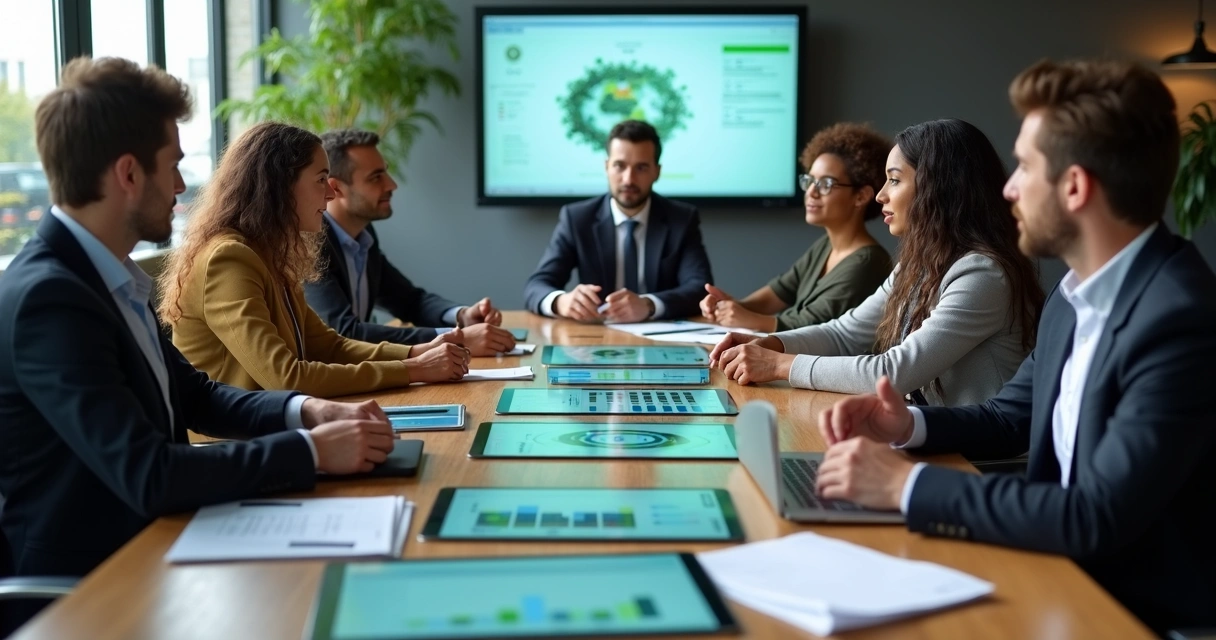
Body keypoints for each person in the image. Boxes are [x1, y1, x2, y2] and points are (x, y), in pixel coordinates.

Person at [813, 60, 1216, 633]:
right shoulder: (1074, 296)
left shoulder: (1179, 320)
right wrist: (905, 427)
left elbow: (1095, 516)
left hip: (1131, 612)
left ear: (1075, 187)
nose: (1007, 188)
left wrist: (906, 484)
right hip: (1055, 570)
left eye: (1025, 167)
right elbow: (1008, 416)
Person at [0, 57, 396, 631]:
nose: (184, 186)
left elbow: (197, 396)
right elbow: (150, 473)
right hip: (91, 589)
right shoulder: (51, 300)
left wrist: (305, 410)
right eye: (174, 165)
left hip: (156, 544)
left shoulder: (106, 278)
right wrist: (310, 452)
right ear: (129, 174)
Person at [712, 119, 1044, 406]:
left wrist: (778, 365)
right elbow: (844, 334)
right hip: (934, 441)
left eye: (895, 180)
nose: (880, 194)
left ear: (938, 188)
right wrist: (772, 344)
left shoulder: (981, 274)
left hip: (980, 461)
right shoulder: (921, 265)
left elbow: (893, 372)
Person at [158, 122, 470, 397]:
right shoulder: (229, 259)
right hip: (231, 446)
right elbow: (285, 377)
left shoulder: (271, 254)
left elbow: (329, 346)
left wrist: (417, 353)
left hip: (271, 432)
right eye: (321, 180)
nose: (331, 194)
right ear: (280, 187)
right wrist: (413, 369)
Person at [305, 129, 516, 356]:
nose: (391, 185)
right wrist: (457, 339)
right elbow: (344, 332)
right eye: (376, 177)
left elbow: (410, 300)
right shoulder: (311, 246)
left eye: (385, 173)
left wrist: (461, 315)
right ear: (335, 188)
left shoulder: (363, 236)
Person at [700, 123, 893, 332]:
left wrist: (744, 317)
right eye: (810, 181)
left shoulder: (868, 262)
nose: (811, 192)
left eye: (825, 183)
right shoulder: (825, 246)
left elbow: (813, 326)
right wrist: (731, 306)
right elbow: (780, 291)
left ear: (861, 196)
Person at [523, 120, 713, 322]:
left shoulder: (681, 219)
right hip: (594, 338)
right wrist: (561, 302)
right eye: (619, 166)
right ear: (607, 167)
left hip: (660, 337)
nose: (628, 179)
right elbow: (537, 285)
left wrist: (648, 305)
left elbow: (700, 288)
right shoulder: (577, 218)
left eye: (641, 168)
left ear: (656, 172)